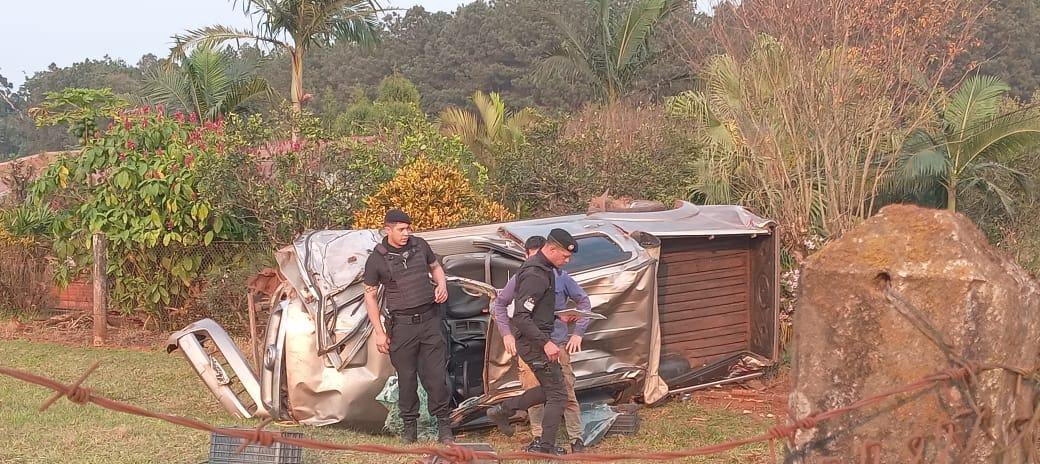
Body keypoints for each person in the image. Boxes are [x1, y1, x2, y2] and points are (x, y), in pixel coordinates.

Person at [490, 236, 592, 453]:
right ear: (552, 249)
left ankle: (504, 410)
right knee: (558, 393)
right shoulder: (536, 274)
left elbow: (537, 313)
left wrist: (560, 318)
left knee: (553, 390)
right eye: (565, 256)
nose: (567, 261)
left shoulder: (546, 271)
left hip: (539, 341)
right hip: (534, 344)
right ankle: (545, 446)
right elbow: (521, 316)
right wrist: (545, 343)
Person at [363, 209, 454, 445]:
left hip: (430, 320)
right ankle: (409, 429)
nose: (406, 234)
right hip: (402, 326)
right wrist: (379, 332)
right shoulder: (377, 259)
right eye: (401, 229)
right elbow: (370, 297)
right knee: (407, 379)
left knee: (436, 377)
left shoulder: (420, 245)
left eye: (408, 229)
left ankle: (444, 427)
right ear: (388, 230)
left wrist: (441, 285)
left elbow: (435, 267)